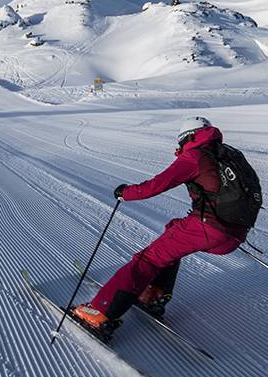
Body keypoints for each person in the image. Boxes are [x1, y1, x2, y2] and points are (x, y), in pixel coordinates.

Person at [73, 115, 248, 336]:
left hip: (208, 228)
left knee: (147, 260)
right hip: (236, 233)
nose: (179, 148)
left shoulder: (195, 156)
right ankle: (154, 293)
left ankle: (99, 313)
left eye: (180, 143)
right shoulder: (229, 155)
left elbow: (158, 184)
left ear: (187, 137)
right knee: (174, 230)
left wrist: (126, 193)